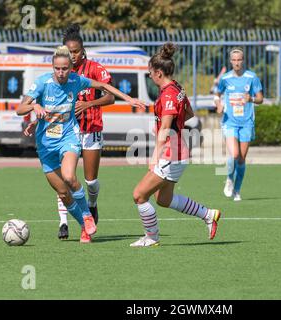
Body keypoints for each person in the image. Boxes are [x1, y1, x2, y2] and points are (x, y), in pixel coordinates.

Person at [17, 45, 145, 243]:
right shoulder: (42, 83)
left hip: (69, 138)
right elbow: (20, 108)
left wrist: (128, 98)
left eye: (65, 68)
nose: (61, 72)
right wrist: (35, 107)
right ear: (52, 67)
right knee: (62, 192)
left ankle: (87, 214)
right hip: (45, 145)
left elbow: (103, 86)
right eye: (57, 68)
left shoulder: (77, 81)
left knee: (69, 176)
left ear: (70, 68)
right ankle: (85, 226)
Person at [25, 24, 114, 240]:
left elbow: (110, 96)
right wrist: (35, 118)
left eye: (75, 52)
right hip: (65, 131)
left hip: (90, 127)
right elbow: (49, 106)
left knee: (89, 181)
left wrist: (89, 103)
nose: (72, 56)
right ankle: (64, 222)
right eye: (68, 51)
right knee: (65, 180)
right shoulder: (56, 75)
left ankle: (91, 206)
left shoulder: (92, 69)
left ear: (82, 51)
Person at [130, 42, 222, 247]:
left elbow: (165, 129)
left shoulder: (169, 95)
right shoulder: (177, 88)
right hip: (178, 151)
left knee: (139, 195)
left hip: (171, 153)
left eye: (151, 73)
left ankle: (151, 238)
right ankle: (208, 214)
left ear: (159, 73)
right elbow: (189, 114)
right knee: (163, 199)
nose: (150, 76)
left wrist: (155, 157)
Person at [214, 47, 264, 201]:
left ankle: (237, 190)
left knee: (241, 159)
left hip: (247, 123)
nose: (236, 63)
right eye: (234, 60)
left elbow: (261, 99)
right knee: (234, 154)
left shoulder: (251, 77)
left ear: (243, 61)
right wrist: (218, 105)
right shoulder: (225, 79)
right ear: (230, 61)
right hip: (230, 122)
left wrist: (251, 99)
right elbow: (217, 94)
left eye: (239, 60)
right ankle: (229, 178)